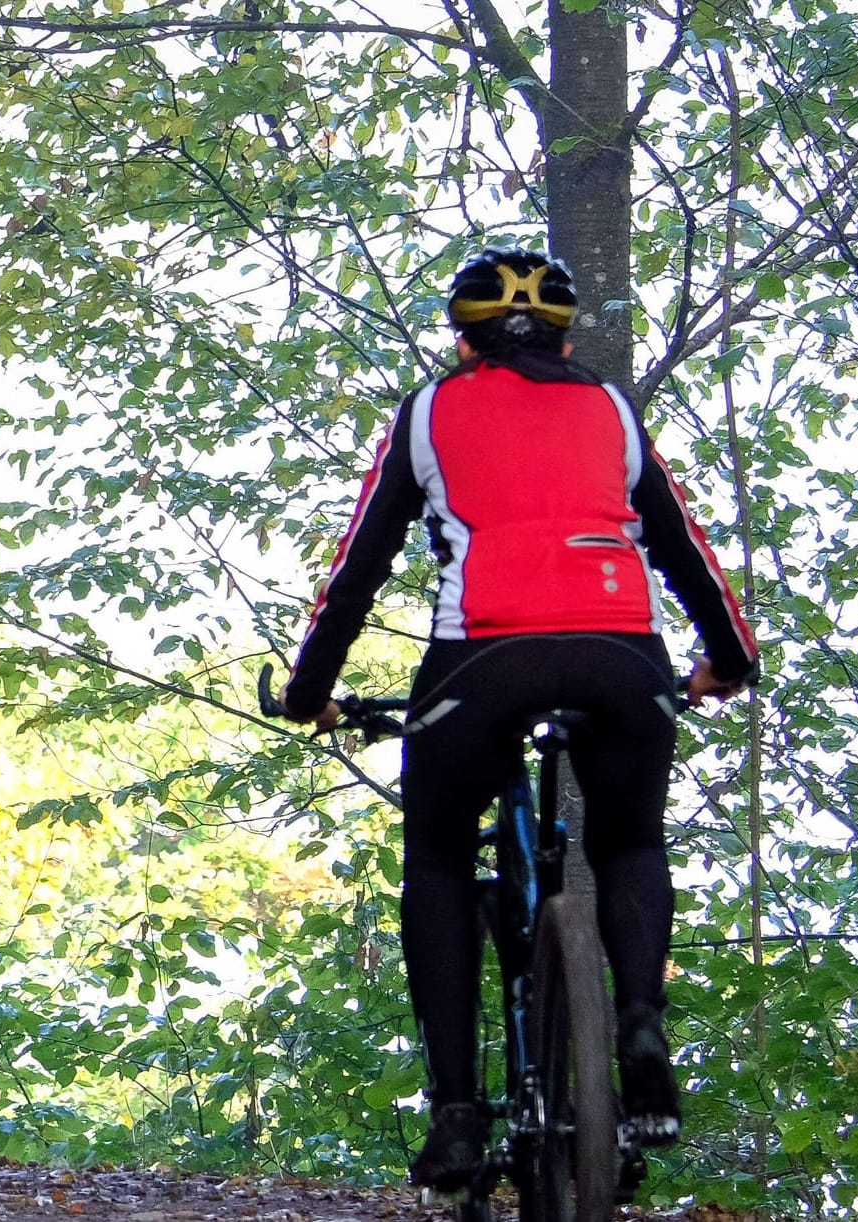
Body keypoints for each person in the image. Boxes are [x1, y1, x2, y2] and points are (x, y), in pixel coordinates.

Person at [272, 249, 757, 1189]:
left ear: (464, 340)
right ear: (568, 338)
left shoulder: (430, 412)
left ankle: (457, 1114)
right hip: (624, 655)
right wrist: (727, 663)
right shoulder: (610, 409)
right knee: (629, 846)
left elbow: (356, 570)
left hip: (483, 659)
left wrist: (308, 693)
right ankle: (639, 1028)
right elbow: (683, 545)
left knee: (442, 859)